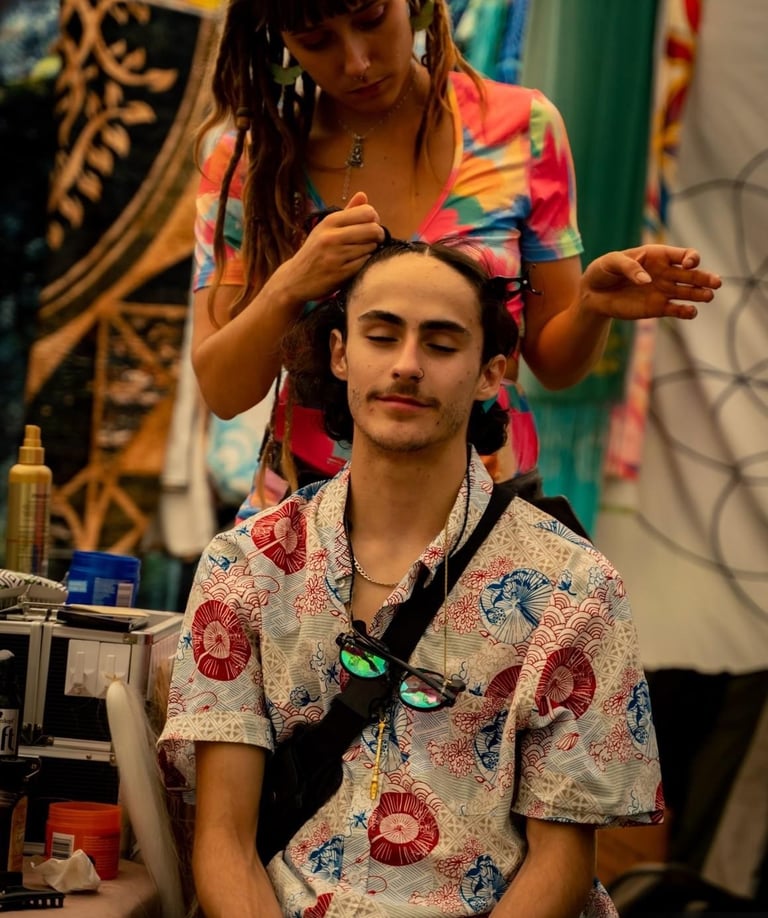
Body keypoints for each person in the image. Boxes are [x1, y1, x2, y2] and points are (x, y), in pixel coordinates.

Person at [158, 238, 663, 917]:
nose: (406, 365)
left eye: (442, 343)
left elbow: (563, 862)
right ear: (340, 354)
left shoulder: (572, 587)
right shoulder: (247, 566)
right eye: (382, 334)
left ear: (492, 371)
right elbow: (222, 837)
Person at [191, 0, 721, 518]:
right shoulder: (251, 162)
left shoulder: (520, 129)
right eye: (316, 40)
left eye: (372, 18)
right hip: (303, 518)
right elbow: (223, 389)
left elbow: (555, 366)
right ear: (279, 43)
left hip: (482, 516)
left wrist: (589, 307)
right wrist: (290, 285)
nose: (355, 61)